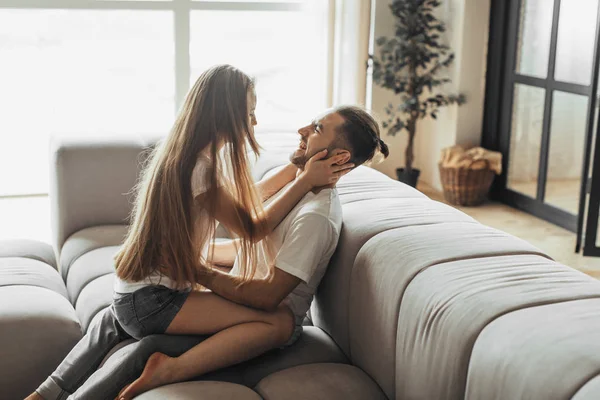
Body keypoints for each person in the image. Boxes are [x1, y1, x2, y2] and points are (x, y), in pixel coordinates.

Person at [26, 64, 353, 400]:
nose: (254, 122)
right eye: (250, 113)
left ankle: (44, 393)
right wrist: (305, 183)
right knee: (279, 324)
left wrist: (297, 168)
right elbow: (252, 228)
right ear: (228, 114)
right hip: (153, 301)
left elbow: (247, 200)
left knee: (114, 321)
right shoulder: (201, 168)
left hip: (132, 293)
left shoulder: (188, 156)